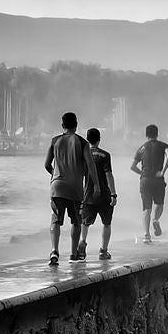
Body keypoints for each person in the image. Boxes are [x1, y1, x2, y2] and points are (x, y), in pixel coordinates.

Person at [44, 112, 101, 265]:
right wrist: (96, 185)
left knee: (55, 220)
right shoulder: (83, 143)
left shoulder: (54, 141)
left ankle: (54, 251)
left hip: (57, 187)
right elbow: (90, 166)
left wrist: (55, 175)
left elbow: (46, 164)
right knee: (76, 221)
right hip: (75, 188)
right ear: (76, 125)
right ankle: (73, 253)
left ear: (62, 126)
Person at [79, 128, 118, 260]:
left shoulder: (83, 155)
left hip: (87, 195)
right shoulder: (105, 155)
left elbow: (79, 175)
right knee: (106, 223)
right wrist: (113, 194)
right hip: (104, 196)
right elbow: (109, 175)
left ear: (87, 139)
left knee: (85, 223)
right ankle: (103, 251)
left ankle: (83, 242)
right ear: (99, 139)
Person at [130, 124, 168, 243]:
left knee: (146, 208)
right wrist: (163, 171)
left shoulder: (141, 148)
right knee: (159, 204)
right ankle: (156, 220)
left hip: (145, 180)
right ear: (157, 134)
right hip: (158, 179)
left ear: (146, 134)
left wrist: (142, 174)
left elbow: (132, 167)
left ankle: (146, 235)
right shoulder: (164, 145)